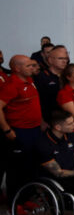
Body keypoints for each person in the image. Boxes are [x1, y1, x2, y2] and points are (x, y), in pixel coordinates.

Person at [1, 55, 43, 204]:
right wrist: (7, 130)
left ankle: (27, 198)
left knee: (31, 166)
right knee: (17, 169)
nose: (33, 68)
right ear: (17, 68)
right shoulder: (11, 85)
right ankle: (15, 202)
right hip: (19, 131)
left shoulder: (30, 81)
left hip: (34, 130)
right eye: (28, 66)